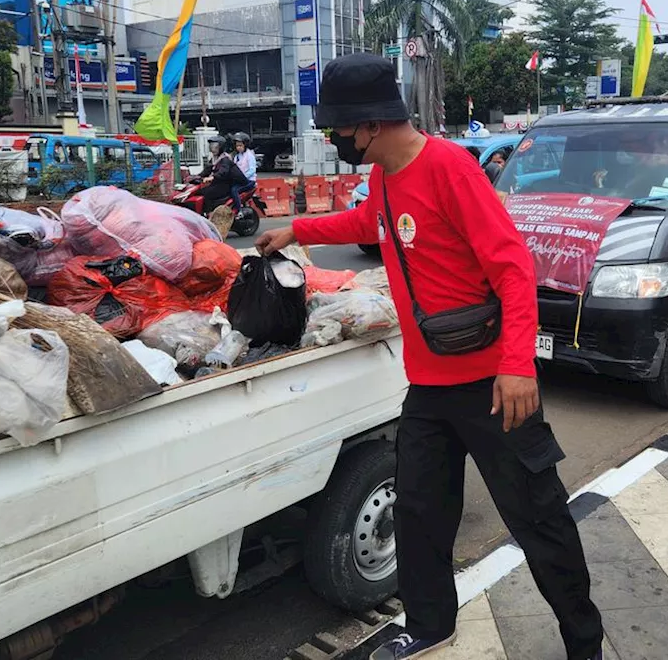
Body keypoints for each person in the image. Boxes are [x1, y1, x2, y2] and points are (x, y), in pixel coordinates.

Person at [254, 53, 604, 660]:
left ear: (367, 124)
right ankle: (430, 625)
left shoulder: (450, 168)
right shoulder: (387, 178)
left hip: (495, 388)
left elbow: (514, 268)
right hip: (429, 389)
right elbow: (370, 221)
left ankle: (583, 640)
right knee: (420, 517)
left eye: (337, 128)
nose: (335, 139)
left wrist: (518, 364)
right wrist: (298, 231)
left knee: (538, 520)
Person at [193, 135, 250, 214]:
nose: (213, 149)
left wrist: (212, 177)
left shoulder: (225, 158)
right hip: (218, 183)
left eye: (215, 146)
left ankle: (209, 213)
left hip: (226, 185)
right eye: (211, 146)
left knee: (206, 193)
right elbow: (207, 170)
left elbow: (223, 171)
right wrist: (195, 176)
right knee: (198, 192)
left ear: (221, 147)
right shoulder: (214, 159)